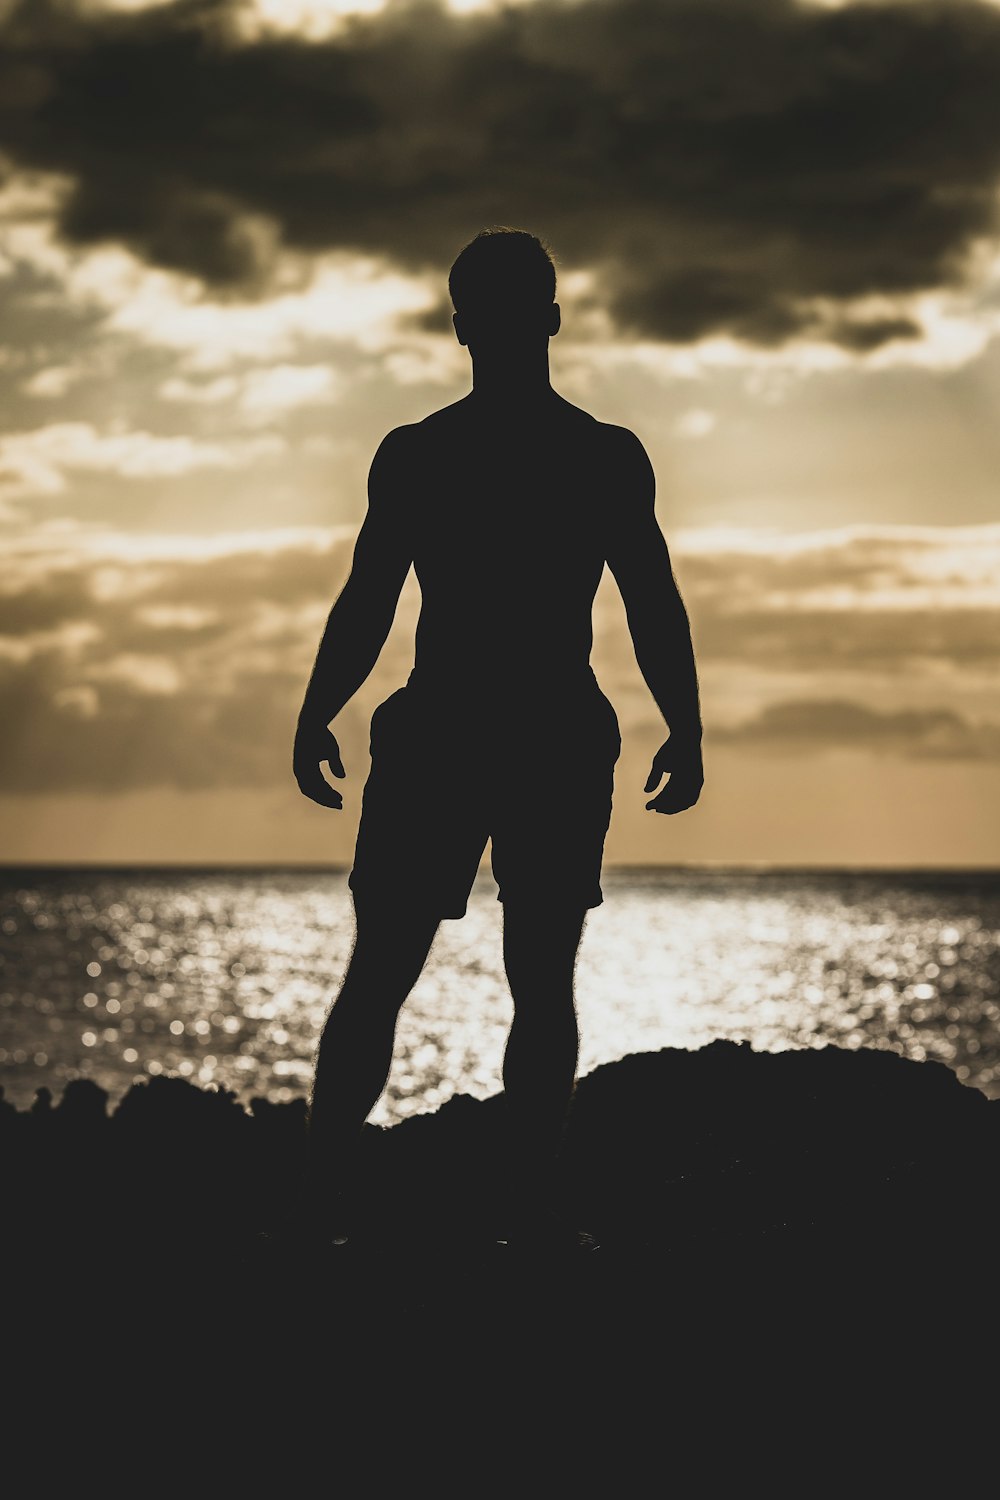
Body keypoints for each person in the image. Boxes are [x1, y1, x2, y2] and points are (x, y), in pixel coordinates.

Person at [293, 227, 703, 1249]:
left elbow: (366, 604)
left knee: (390, 971)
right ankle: (514, 1212)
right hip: (534, 733)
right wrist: (682, 728)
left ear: (463, 324)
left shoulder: (429, 454)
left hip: (468, 731)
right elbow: (650, 604)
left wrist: (318, 711)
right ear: (547, 319)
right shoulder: (587, 457)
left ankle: (335, 1204)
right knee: (524, 976)